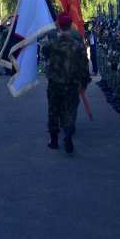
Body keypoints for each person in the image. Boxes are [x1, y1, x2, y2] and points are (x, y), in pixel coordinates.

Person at [42, 13, 90, 154]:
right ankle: (68, 135)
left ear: (59, 25)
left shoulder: (52, 43)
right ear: (71, 25)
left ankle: (54, 140)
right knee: (70, 110)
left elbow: (44, 53)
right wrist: (84, 81)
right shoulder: (78, 44)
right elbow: (84, 64)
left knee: (53, 110)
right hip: (72, 83)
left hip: (55, 82)